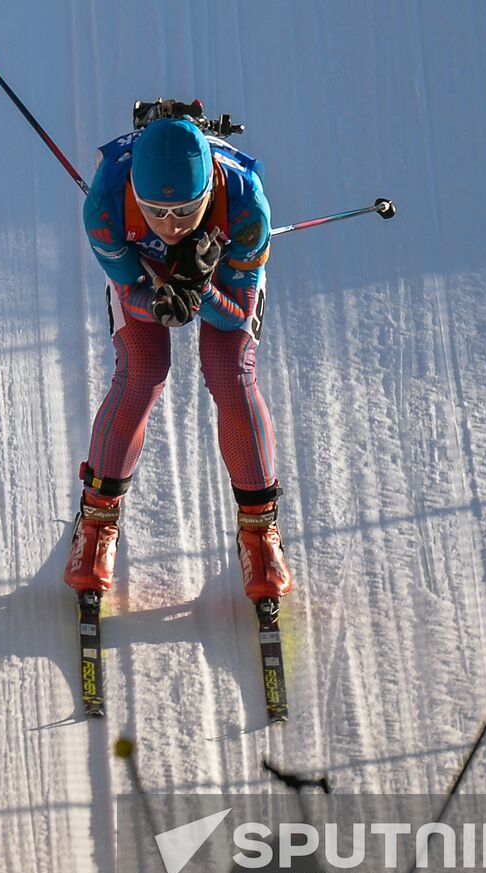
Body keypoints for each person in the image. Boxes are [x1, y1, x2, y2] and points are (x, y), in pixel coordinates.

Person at [64, 110, 293, 602]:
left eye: (186, 212)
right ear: (135, 196)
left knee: (231, 373)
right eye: (157, 212)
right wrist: (164, 296)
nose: (171, 227)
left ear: (209, 189)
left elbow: (234, 317)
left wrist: (202, 288)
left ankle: (260, 530)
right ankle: (97, 523)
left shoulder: (247, 209)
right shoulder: (105, 206)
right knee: (142, 371)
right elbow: (129, 292)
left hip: (222, 262)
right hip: (142, 265)